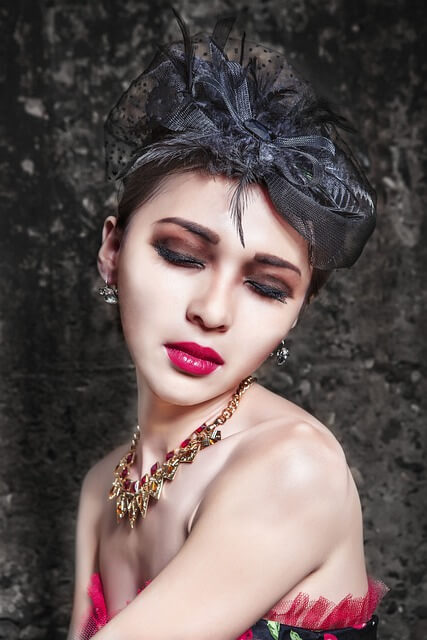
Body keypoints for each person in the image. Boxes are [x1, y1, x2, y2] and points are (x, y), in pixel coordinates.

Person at [67, 10, 388, 640]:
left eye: (267, 287)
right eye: (182, 255)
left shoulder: (294, 469)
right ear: (113, 251)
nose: (212, 312)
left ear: (296, 312)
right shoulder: (102, 486)